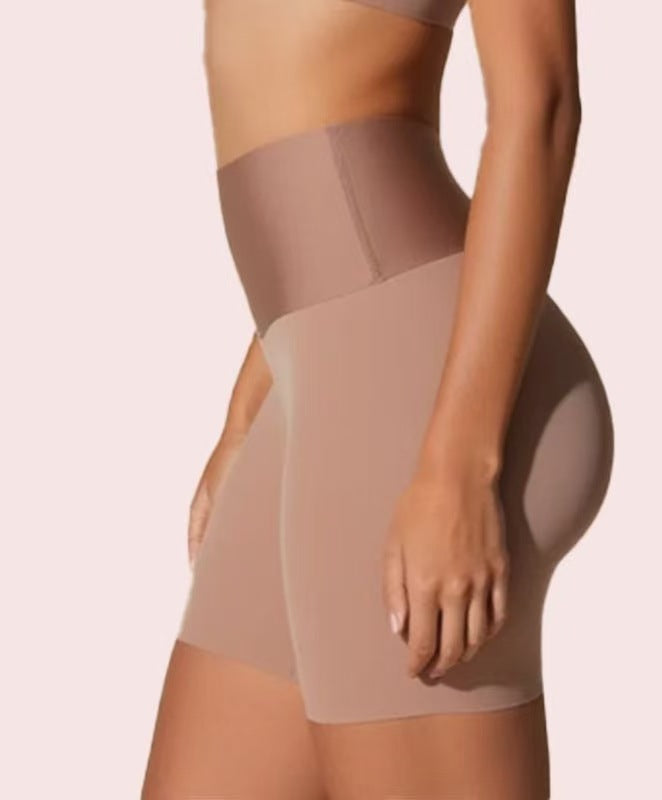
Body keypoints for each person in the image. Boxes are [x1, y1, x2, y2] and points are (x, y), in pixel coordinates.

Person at [142, 0, 614, 797]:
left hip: (430, 401)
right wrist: (251, 408)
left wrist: (460, 468)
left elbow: (542, 105)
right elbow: (303, 126)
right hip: (321, 381)